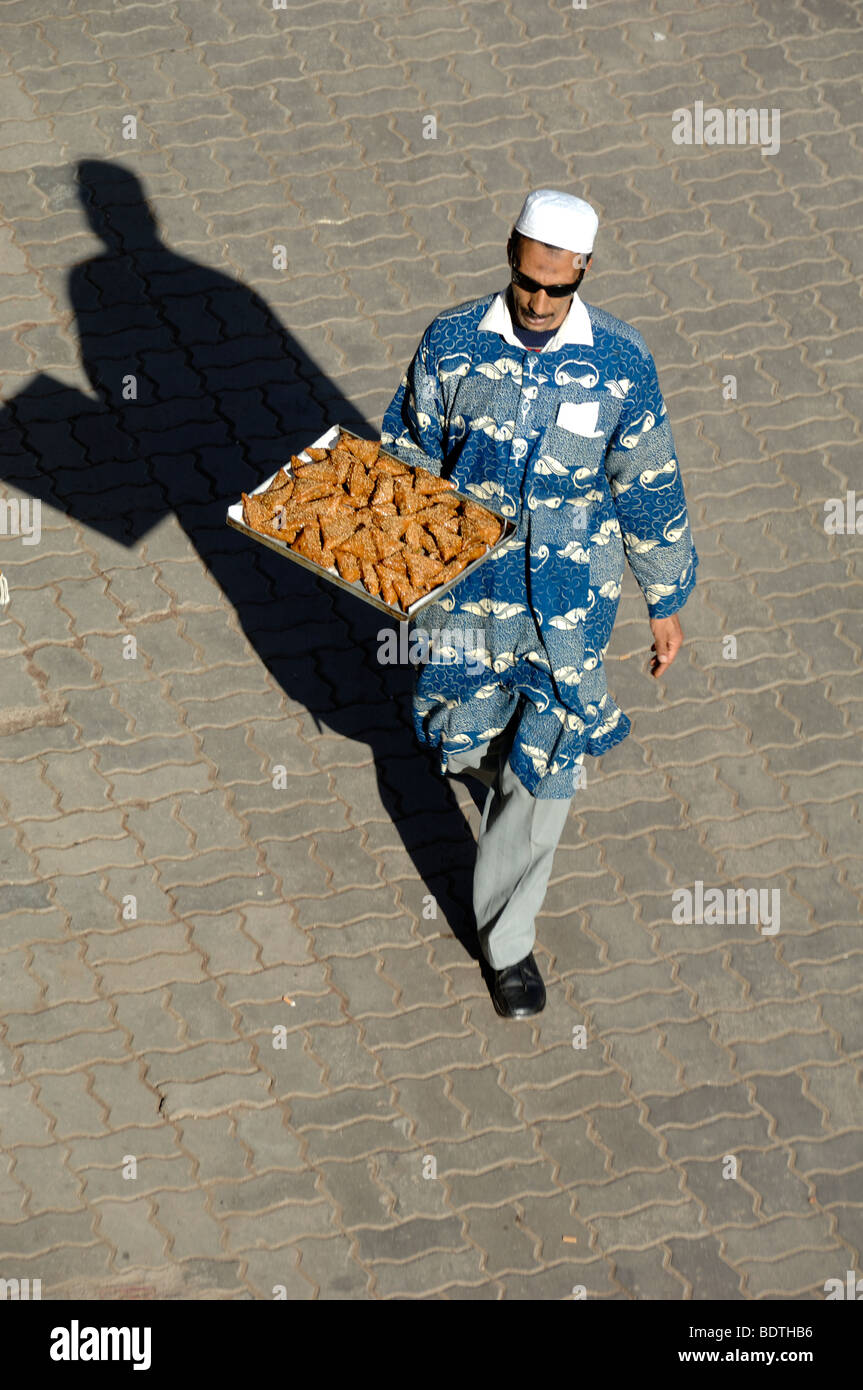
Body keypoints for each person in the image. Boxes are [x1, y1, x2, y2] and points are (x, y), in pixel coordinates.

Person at [381, 188, 698, 1019]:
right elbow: (405, 452)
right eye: (525, 280)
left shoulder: (622, 364)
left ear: (584, 271)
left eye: (556, 288)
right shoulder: (450, 343)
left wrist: (664, 601)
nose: (537, 302)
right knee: (463, 739)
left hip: (567, 609)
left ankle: (506, 941)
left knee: (548, 761)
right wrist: (383, 559)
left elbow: (648, 484)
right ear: (510, 255)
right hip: (464, 601)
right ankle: (491, 779)